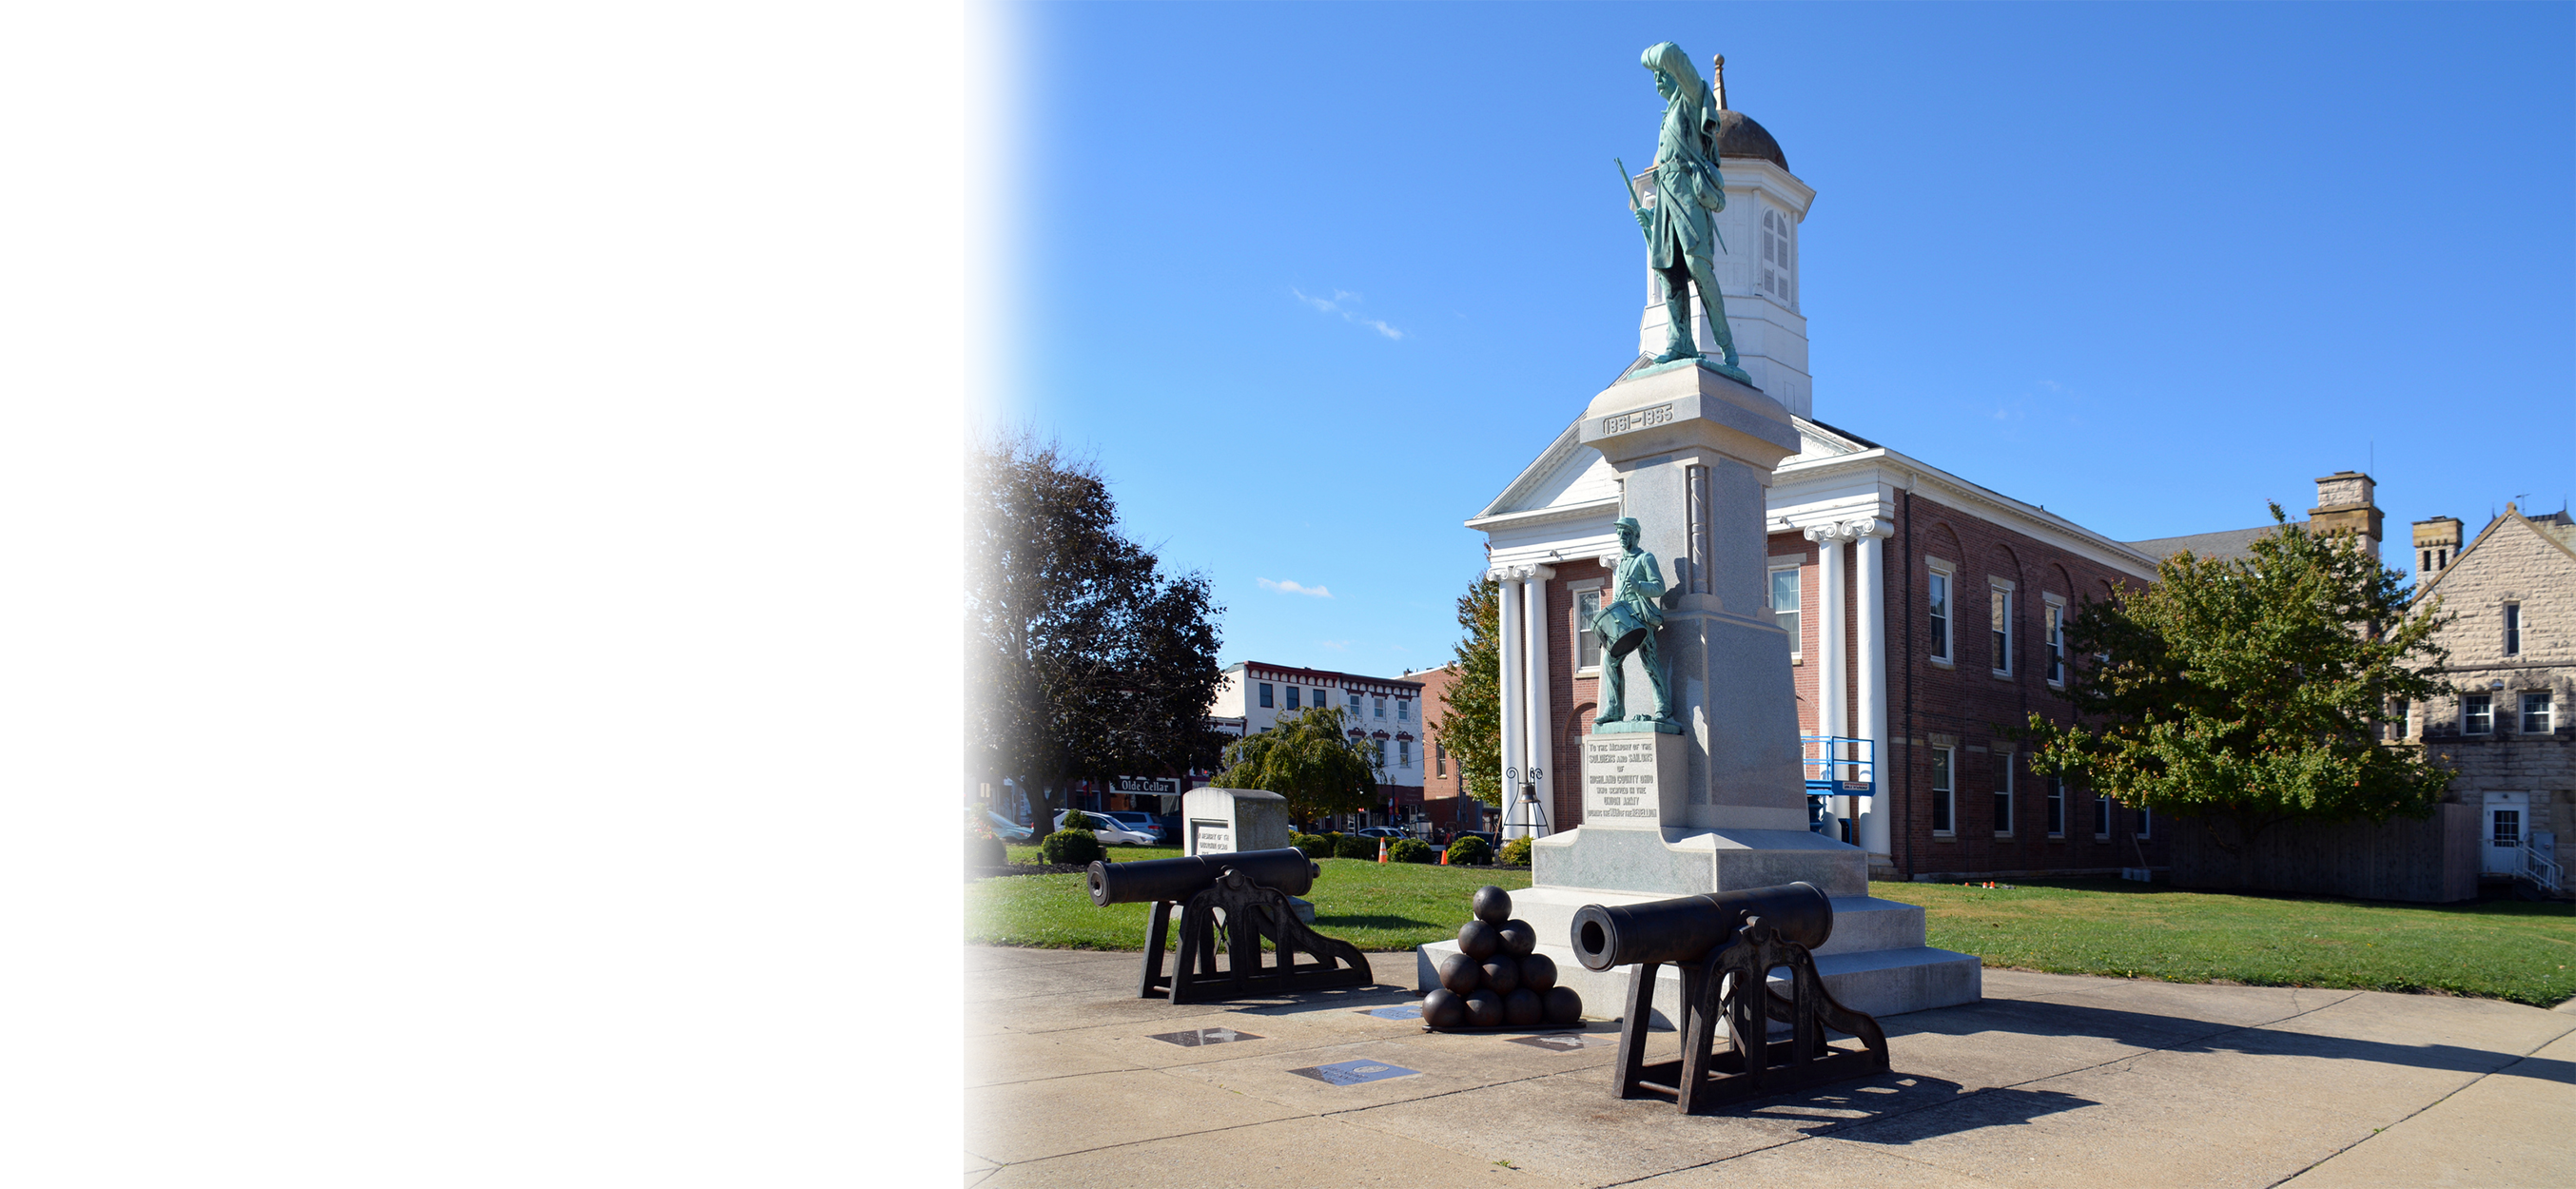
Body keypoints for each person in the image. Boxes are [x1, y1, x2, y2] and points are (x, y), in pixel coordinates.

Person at [1634, 42, 1744, 376]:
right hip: (1667, 195)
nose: (1657, 81)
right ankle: (1680, 341)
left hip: (1687, 194)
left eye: (1661, 76)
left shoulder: (1692, 97)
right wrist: (1652, 219)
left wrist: (1649, 59)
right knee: (1669, 270)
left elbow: (1669, 53)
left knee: (1698, 267)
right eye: (1654, 78)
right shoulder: (1666, 117)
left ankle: (1727, 347)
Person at [1592, 517, 1675, 725]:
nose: (1622, 537)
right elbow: (1618, 596)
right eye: (1620, 533)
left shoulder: (1645, 558)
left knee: (1650, 661)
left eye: (1626, 533)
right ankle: (1615, 708)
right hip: (1622, 618)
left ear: (1636, 536)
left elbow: (1659, 587)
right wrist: (1606, 628)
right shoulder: (1621, 563)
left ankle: (1663, 708)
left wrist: (1639, 585)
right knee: (1610, 660)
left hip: (1641, 617)